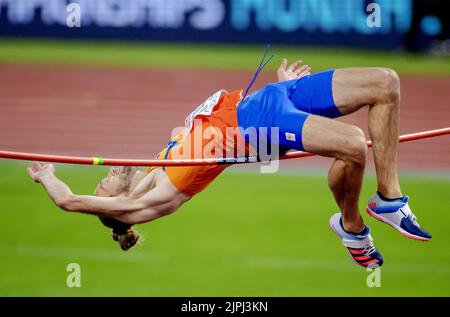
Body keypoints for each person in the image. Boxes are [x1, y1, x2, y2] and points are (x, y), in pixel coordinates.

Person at [27, 58, 431, 267]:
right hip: (254, 124)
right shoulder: (148, 201)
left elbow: (189, 132)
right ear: (118, 207)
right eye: (105, 187)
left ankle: (388, 199)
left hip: (265, 101)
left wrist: (281, 85)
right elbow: (69, 201)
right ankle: (351, 228)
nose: (108, 177)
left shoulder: (157, 165)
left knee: (386, 83)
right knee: (354, 145)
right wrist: (48, 176)